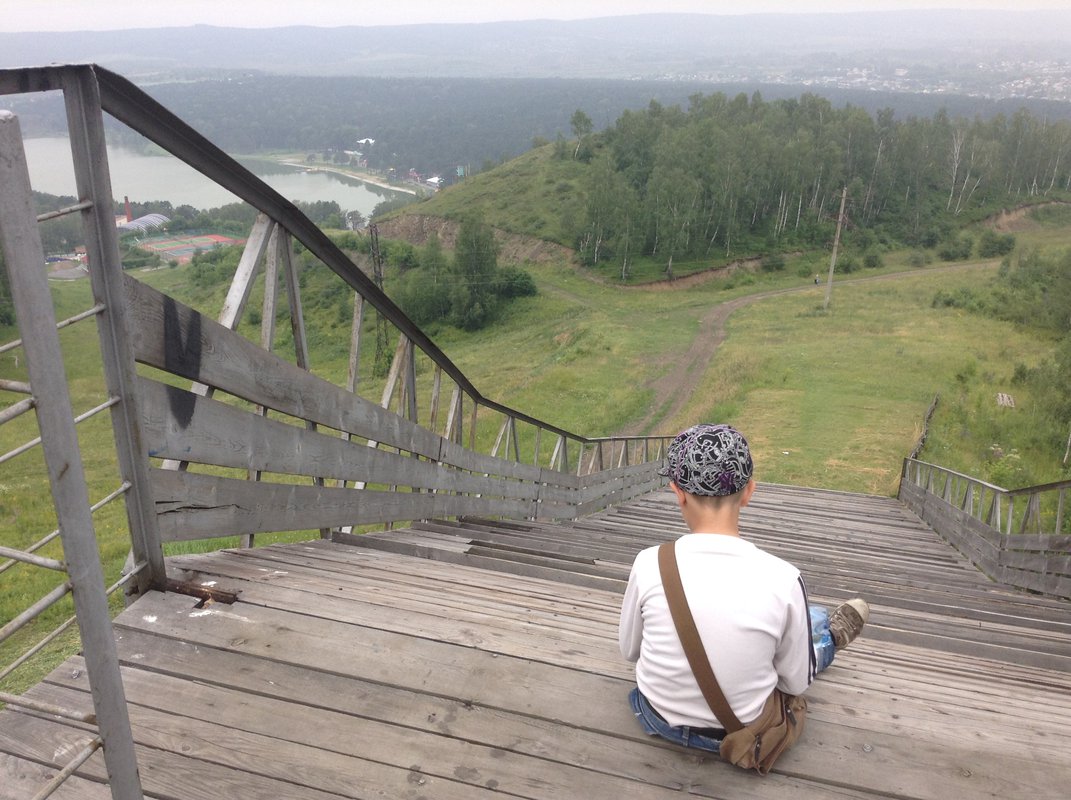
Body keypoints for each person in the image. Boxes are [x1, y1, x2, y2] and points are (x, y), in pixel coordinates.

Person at [619, 422, 869, 754]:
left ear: (677, 492)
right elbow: (795, 683)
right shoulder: (784, 578)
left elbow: (630, 651)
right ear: (749, 491)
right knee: (806, 618)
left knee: (801, 616)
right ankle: (829, 640)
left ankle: (822, 629)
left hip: (657, 717)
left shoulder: (649, 563)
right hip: (742, 732)